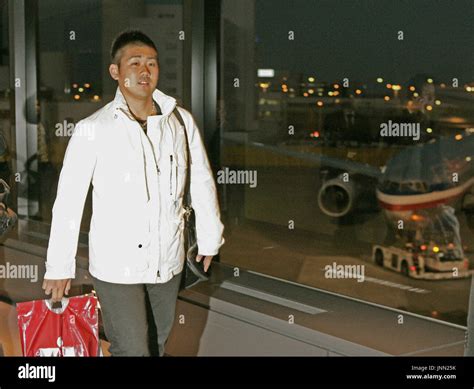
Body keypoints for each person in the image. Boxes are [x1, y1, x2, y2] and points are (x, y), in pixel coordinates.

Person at [41, 30, 225, 356]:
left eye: (151, 63)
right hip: (116, 264)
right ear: (116, 71)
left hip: (166, 257)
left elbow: (201, 179)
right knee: (132, 349)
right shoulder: (92, 130)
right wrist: (58, 266)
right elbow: (68, 203)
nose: (144, 71)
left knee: (156, 344)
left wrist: (210, 235)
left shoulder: (180, 122)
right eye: (135, 62)